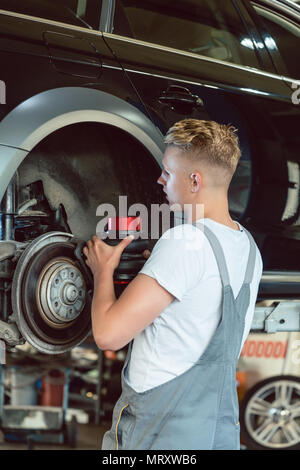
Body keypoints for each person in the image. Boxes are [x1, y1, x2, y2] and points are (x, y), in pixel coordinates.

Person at [83, 119, 263, 450]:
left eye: (167, 171)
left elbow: (108, 334)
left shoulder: (183, 242)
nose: (160, 179)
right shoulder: (248, 247)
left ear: (195, 180)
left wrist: (102, 270)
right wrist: (160, 268)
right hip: (217, 432)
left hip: (161, 434)